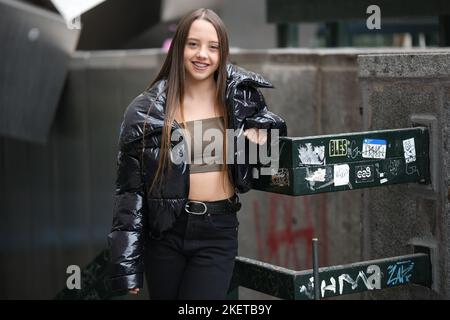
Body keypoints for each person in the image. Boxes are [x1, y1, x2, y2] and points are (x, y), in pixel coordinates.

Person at [107, 8, 287, 300]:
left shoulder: (241, 98)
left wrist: (264, 130)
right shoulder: (145, 111)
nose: (202, 54)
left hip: (218, 231)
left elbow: (270, 153)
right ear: (179, 47)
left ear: (222, 53)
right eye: (193, 44)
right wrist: (126, 266)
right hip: (165, 232)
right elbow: (129, 192)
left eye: (213, 47)